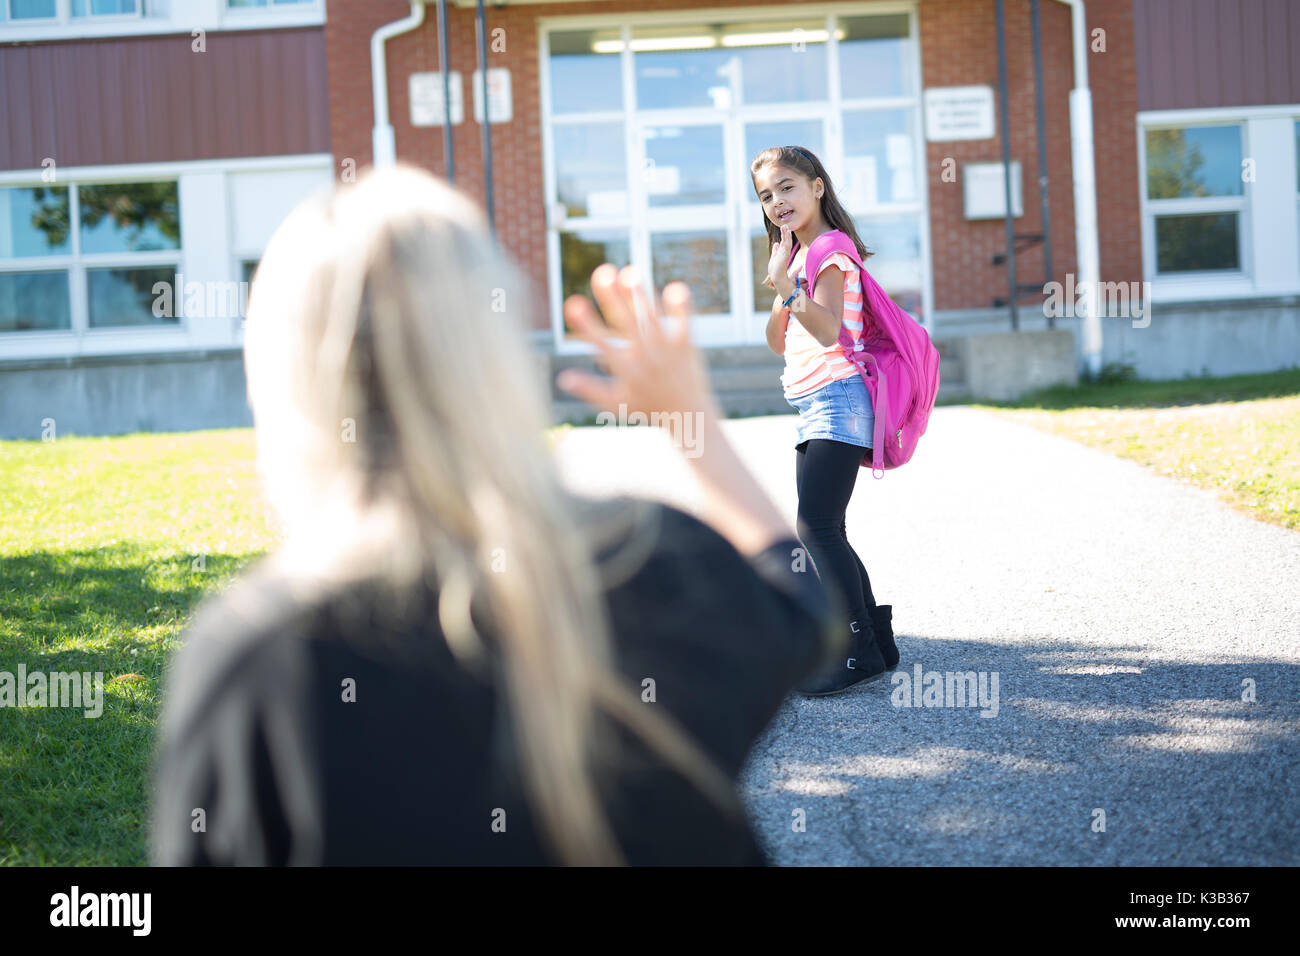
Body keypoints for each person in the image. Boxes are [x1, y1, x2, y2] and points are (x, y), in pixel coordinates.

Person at [149, 164, 844, 866]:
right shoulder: (650, 558)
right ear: (495, 352)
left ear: (285, 374)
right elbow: (803, 605)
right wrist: (694, 423)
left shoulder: (254, 658)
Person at [751, 144, 899, 697]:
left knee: (816, 528)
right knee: (824, 528)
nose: (777, 201)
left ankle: (856, 649)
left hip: (839, 397)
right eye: (766, 195)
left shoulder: (832, 250)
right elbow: (776, 341)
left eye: (787, 187)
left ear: (817, 186)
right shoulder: (796, 256)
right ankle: (878, 644)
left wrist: (793, 287)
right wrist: (780, 284)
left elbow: (832, 331)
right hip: (814, 402)